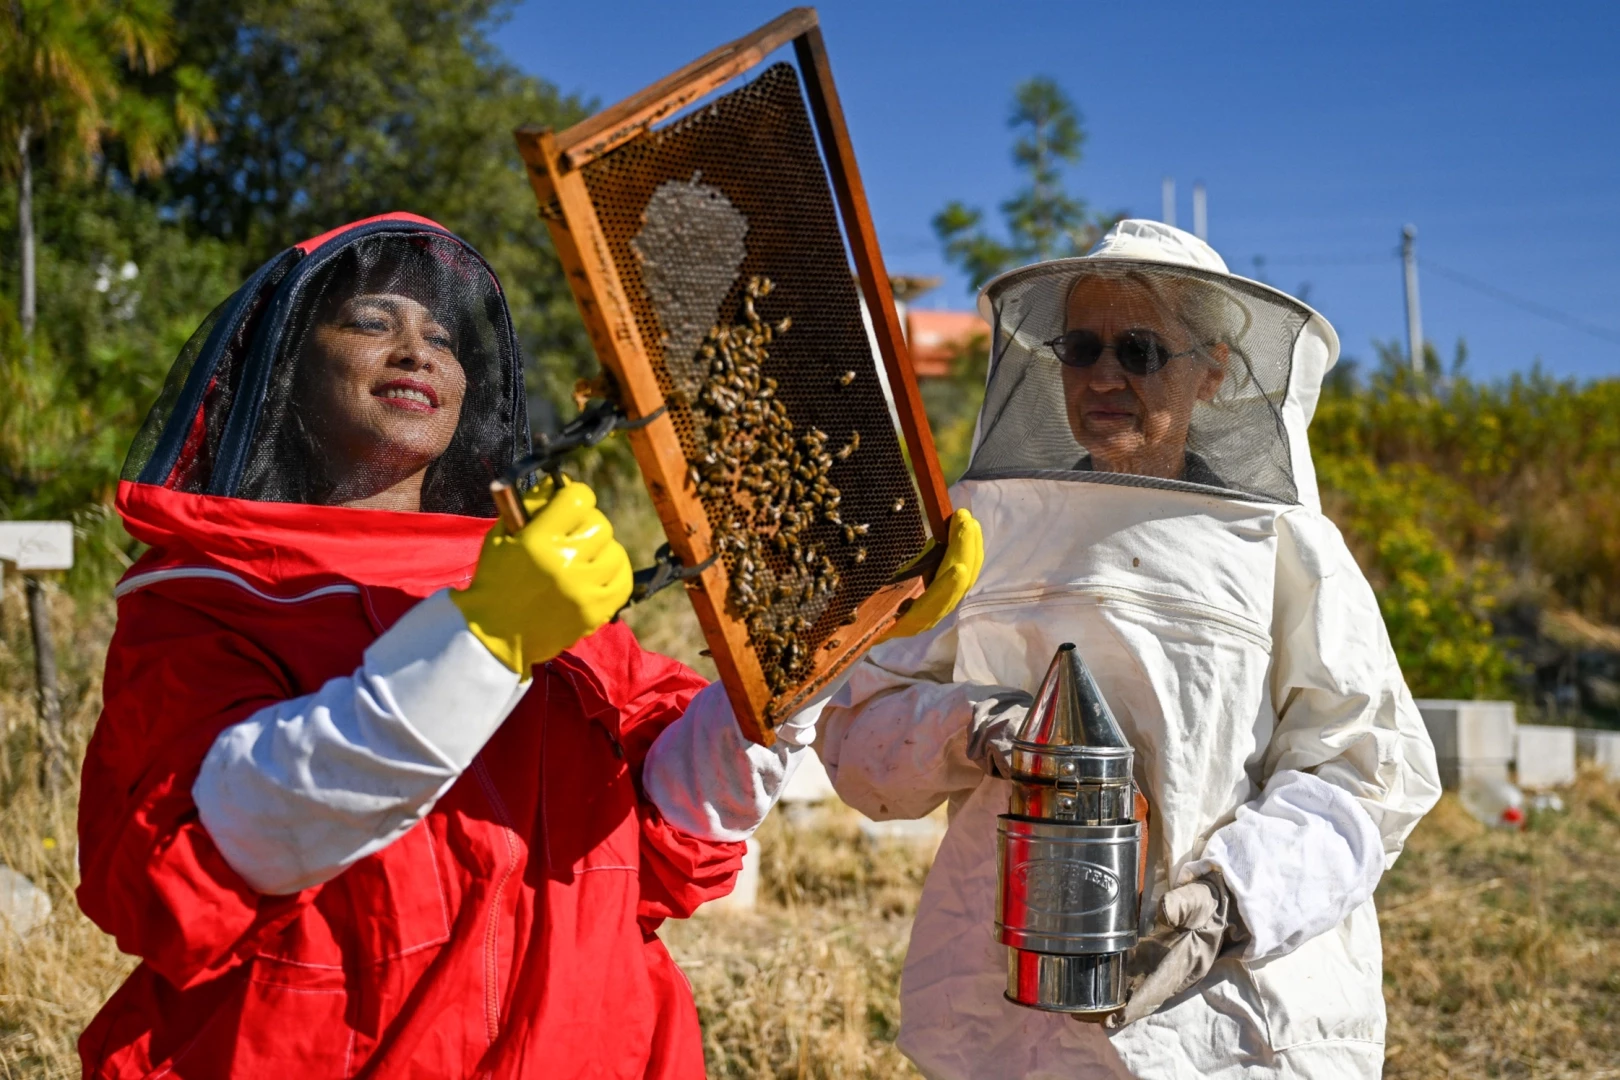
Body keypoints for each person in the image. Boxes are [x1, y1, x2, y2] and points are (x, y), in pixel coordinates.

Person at [75, 212, 980, 1078]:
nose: (417, 351)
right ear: (285, 376)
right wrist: (485, 639)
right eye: (368, 322)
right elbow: (226, 845)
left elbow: (672, 829)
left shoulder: (535, 582)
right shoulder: (210, 598)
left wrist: (816, 643)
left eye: (442, 336)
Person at [817, 220, 1442, 1079]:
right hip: (1005, 998)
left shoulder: (1283, 545)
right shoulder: (980, 529)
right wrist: (977, 728)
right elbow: (858, 732)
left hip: (1221, 1017)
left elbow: (1368, 772)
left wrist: (1226, 905)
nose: (1105, 375)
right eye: (1080, 347)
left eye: (1141, 350)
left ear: (1213, 372)